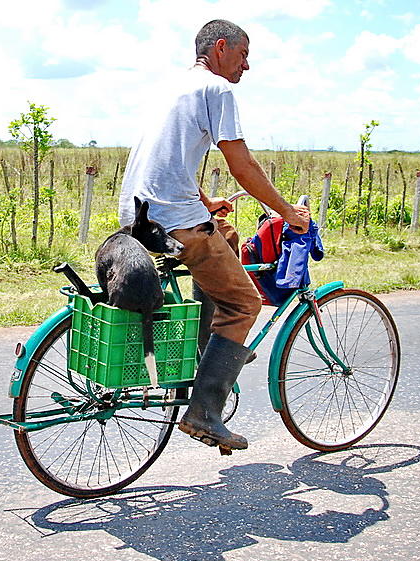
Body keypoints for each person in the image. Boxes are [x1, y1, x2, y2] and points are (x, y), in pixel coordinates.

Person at [118, 19, 310, 452]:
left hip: (139, 212)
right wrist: (286, 213)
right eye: (243, 55)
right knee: (244, 301)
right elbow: (241, 162)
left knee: (225, 230)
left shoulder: (174, 87)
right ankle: (204, 412)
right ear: (221, 48)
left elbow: (169, 160)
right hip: (173, 219)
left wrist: (205, 201)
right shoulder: (218, 90)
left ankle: (211, 344)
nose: (247, 65)